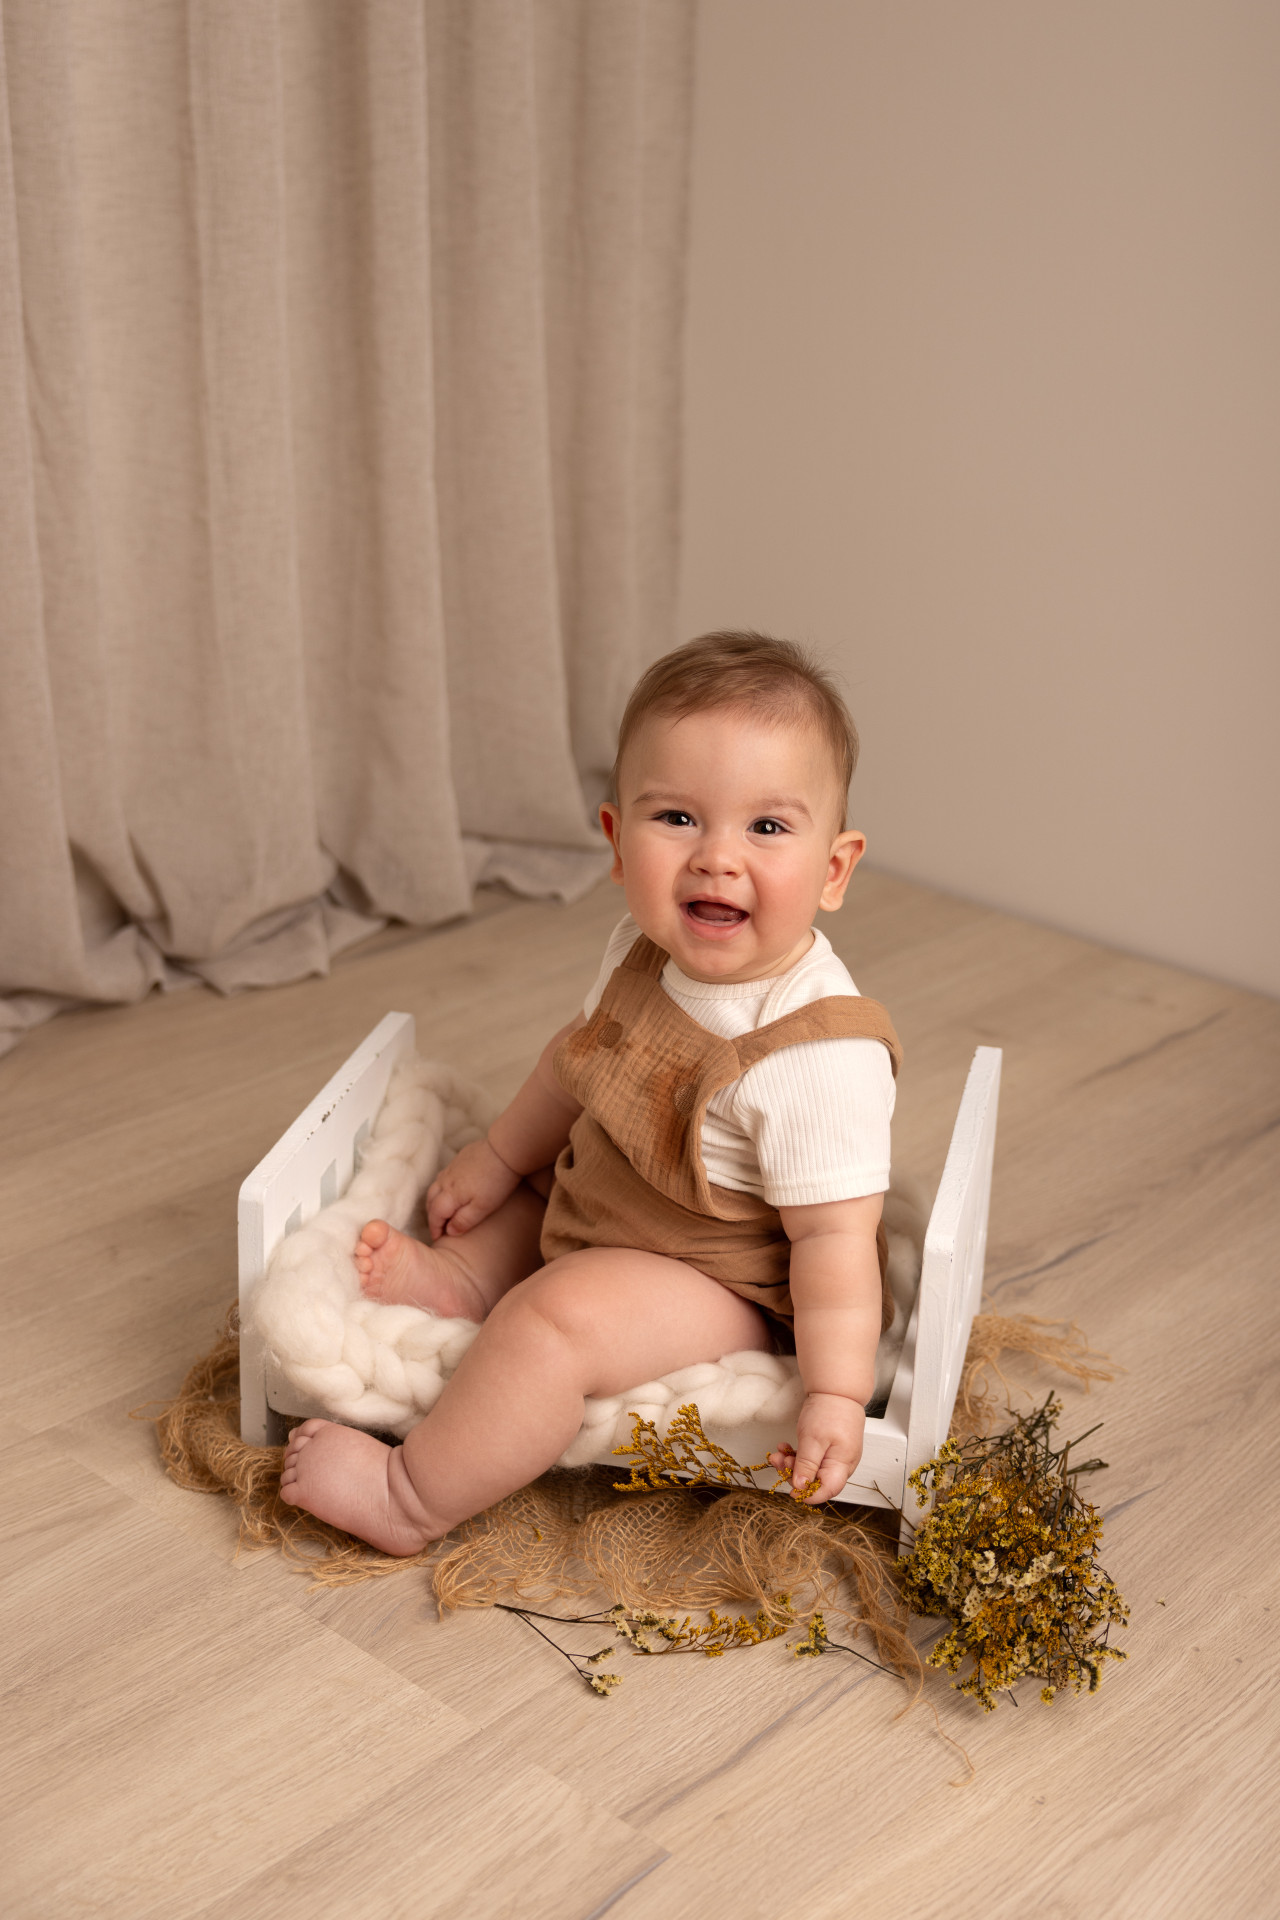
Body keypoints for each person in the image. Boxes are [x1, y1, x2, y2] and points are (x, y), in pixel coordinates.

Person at [280, 631, 900, 1554]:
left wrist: (838, 1395)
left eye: (767, 828)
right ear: (617, 841)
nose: (717, 858)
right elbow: (577, 1068)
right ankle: (462, 1283)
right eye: (678, 819)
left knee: (557, 1320)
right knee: (538, 1191)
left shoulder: (813, 1054)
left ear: (834, 868)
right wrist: (497, 1158)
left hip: (720, 1277)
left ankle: (410, 1495)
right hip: (612, 1201)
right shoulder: (639, 952)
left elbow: (836, 1247)